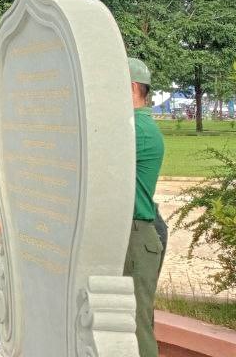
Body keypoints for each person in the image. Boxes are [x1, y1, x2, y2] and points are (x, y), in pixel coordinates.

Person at [125, 58, 165, 357]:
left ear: (131, 87)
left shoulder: (137, 129)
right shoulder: (131, 126)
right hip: (130, 232)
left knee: (136, 325)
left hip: (135, 234)